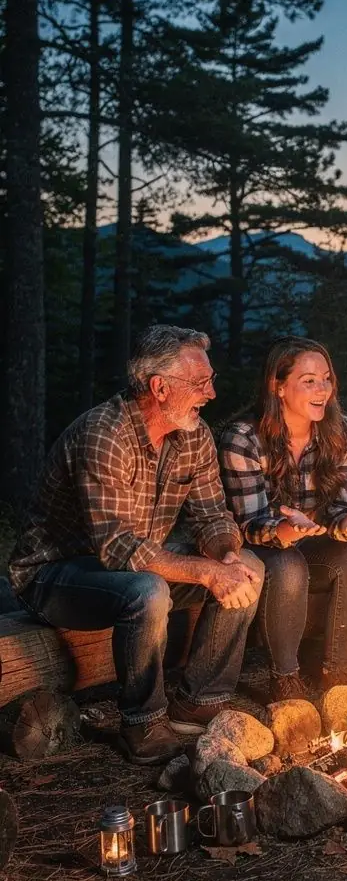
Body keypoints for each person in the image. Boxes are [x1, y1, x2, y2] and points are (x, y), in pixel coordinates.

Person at [9, 326, 264, 764]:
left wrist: (225, 555)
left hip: (133, 566)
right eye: (200, 382)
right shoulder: (104, 433)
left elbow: (212, 516)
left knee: (249, 566)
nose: (211, 393)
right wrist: (206, 572)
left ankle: (199, 700)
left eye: (211, 380)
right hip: (55, 575)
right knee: (147, 591)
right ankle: (142, 722)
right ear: (159, 387)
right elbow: (117, 547)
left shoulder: (194, 434)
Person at [219, 337, 347, 701]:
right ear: (278, 386)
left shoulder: (344, 433)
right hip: (259, 551)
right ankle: (285, 678)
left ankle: (339, 673)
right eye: (309, 381)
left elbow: (341, 511)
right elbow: (249, 525)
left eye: (326, 379)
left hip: (314, 543)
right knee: (289, 563)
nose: (323, 389)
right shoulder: (244, 439)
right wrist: (285, 530)